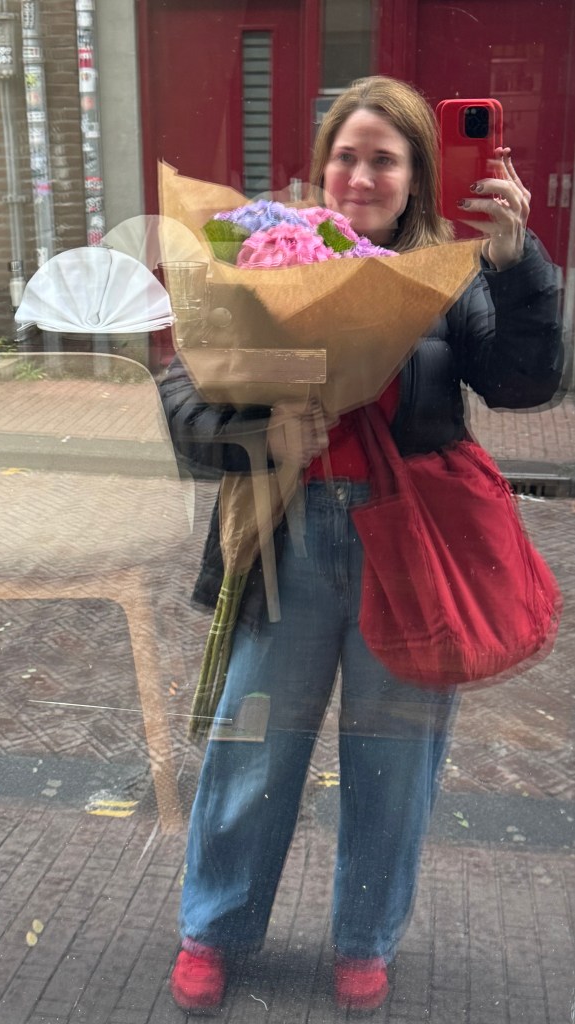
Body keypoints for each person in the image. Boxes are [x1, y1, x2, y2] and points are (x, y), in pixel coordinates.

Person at [160, 76, 563, 1013]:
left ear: (415, 175)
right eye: (345, 153)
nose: (359, 173)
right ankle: (213, 928)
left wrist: (513, 260)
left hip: (405, 546)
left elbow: (520, 383)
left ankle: (364, 937)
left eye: (384, 158)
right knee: (251, 749)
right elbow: (186, 405)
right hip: (287, 538)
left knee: (393, 759)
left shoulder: (449, 274)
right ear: (321, 163)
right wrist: (263, 438)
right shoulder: (259, 254)